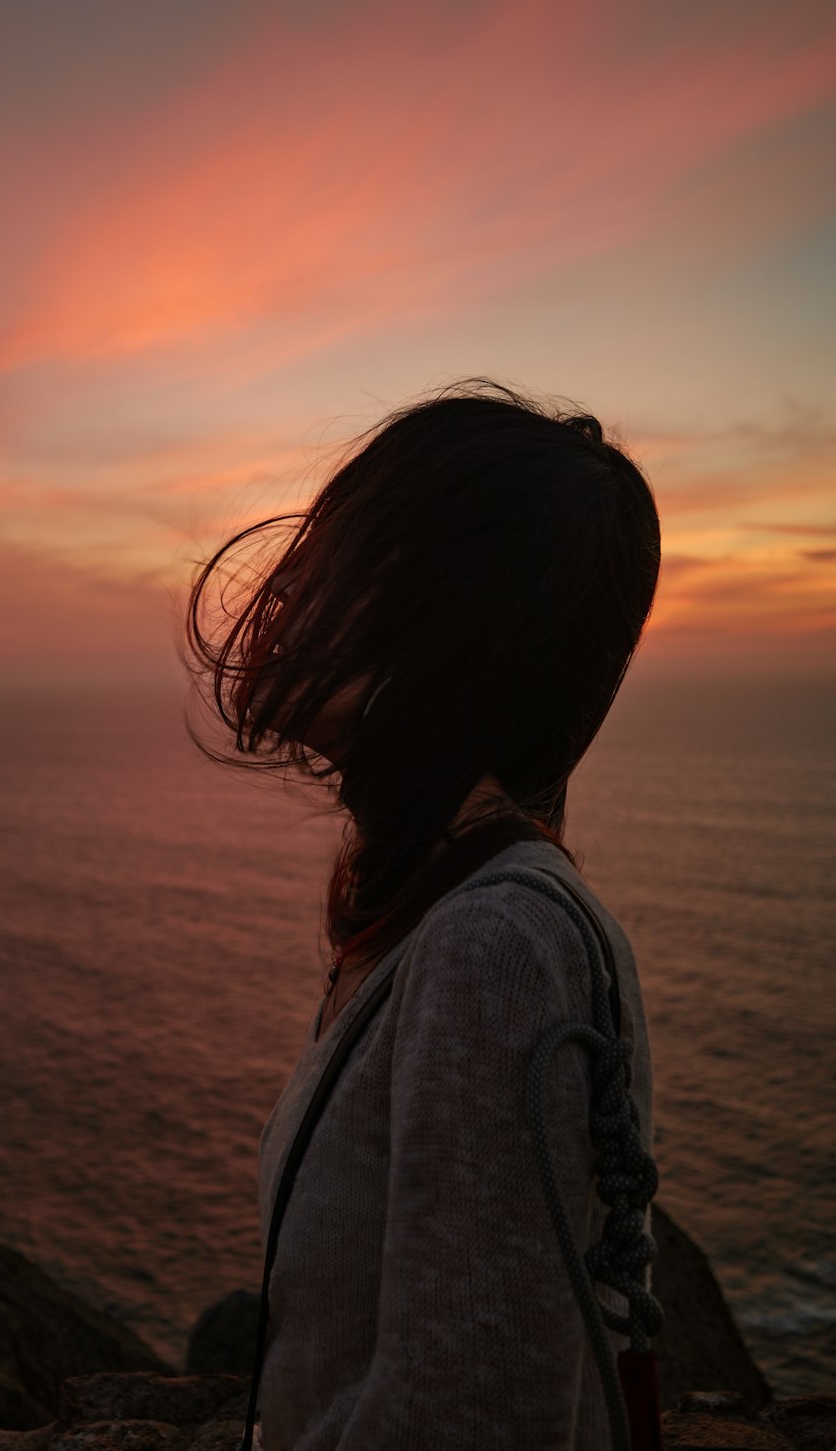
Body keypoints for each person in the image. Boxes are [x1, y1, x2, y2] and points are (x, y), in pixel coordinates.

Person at [185, 380, 662, 1449]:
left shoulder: (493, 946)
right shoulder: (440, 912)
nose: (295, 590)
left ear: (444, 618)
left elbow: (472, 1417)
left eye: (345, 558)